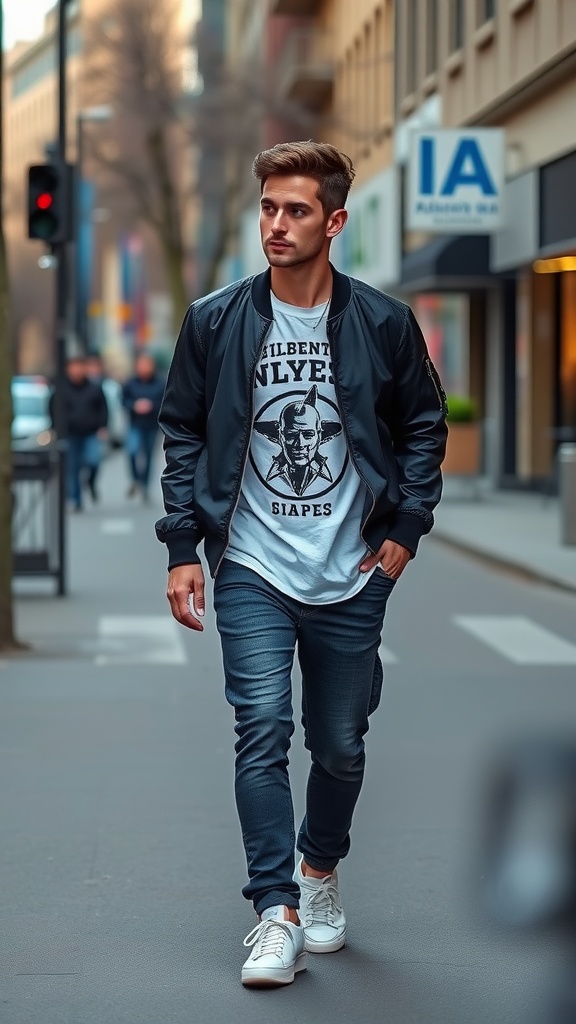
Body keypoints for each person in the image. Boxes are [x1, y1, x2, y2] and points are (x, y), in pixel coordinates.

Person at [155, 141, 448, 987]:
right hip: (250, 560)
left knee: (342, 744)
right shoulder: (215, 319)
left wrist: (406, 527)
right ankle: (275, 910)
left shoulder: (383, 323)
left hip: (353, 567)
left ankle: (319, 870)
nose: (277, 225)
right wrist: (184, 547)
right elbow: (183, 431)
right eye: (269, 209)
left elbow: (423, 426)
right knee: (261, 730)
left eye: (296, 211)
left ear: (335, 222)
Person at [50, 355, 108, 511]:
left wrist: (103, 426)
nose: (76, 370)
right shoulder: (61, 388)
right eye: (73, 367)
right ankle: (76, 499)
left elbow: (103, 407)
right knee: (72, 467)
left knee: (93, 460)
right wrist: (55, 427)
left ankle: (90, 482)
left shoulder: (94, 387)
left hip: (90, 433)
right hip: (70, 433)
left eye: (79, 366)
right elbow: (52, 408)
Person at [122, 353, 165, 501]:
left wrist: (151, 406)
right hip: (135, 424)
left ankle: (145, 485)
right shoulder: (130, 383)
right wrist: (134, 405)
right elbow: (123, 401)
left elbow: (165, 402)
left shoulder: (160, 383)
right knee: (132, 451)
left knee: (148, 456)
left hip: (152, 425)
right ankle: (136, 479)